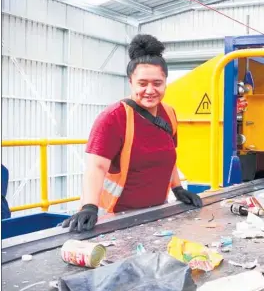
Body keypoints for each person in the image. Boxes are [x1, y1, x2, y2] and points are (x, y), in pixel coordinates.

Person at [62, 34, 202, 233]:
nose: (150, 90)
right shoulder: (114, 118)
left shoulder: (169, 113)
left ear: (165, 82)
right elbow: (97, 167)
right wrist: (89, 207)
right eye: (142, 83)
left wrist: (177, 188)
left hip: (155, 214)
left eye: (157, 83)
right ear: (131, 82)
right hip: (113, 218)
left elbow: (169, 156)